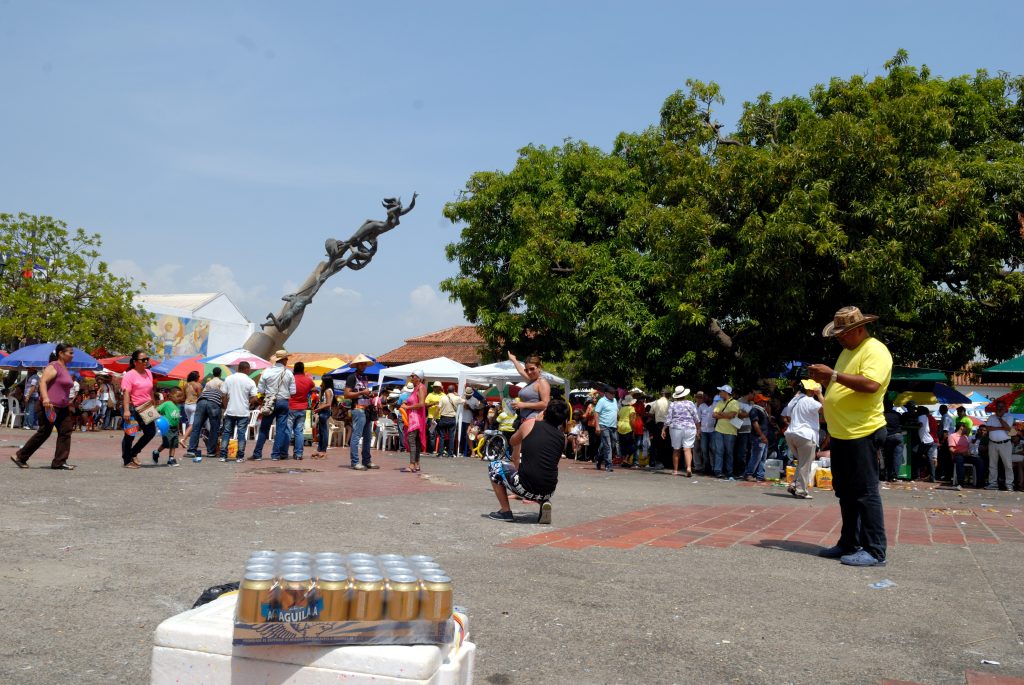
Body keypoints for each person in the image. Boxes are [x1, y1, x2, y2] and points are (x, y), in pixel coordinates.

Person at [808, 305, 892, 568]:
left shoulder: (875, 350)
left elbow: (871, 385)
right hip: (843, 433)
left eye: (842, 334)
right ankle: (849, 542)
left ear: (858, 329)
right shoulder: (847, 352)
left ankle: (875, 550)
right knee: (845, 492)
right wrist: (826, 381)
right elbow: (843, 385)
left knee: (865, 492)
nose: (839, 339)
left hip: (863, 432)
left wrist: (832, 375)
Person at [486, 398, 569, 524]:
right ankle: (543, 502)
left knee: (494, 466)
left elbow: (512, 441)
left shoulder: (530, 424)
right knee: (540, 472)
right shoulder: (562, 438)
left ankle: (505, 511)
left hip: (525, 487)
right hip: (548, 490)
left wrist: (532, 423)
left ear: (545, 412)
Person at [11, 344, 78, 470]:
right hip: (49, 406)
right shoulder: (53, 366)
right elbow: (43, 382)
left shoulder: (65, 368)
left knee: (66, 432)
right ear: (61, 353)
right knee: (44, 432)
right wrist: (46, 398)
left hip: (63, 407)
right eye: (70, 353)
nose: (72, 355)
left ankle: (59, 462)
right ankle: (20, 456)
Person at [252, 350, 296, 461]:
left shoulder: (266, 371)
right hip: (283, 402)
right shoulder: (289, 373)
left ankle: (257, 454)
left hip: (269, 402)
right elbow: (293, 392)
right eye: (286, 359)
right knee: (280, 430)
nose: (287, 360)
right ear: (284, 360)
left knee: (264, 428)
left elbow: (260, 390)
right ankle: (275, 455)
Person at [506, 352, 551, 461]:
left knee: (522, 453)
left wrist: (523, 404)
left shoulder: (542, 382)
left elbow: (545, 403)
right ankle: (520, 472)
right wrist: (514, 360)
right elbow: (521, 371)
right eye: (527, 370)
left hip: (533, 421)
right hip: (524, 420)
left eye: (532, 369)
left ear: (539, 367)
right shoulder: (532, 381)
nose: (529, 372)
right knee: (515, 454)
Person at [783, 379, 823, 499]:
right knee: (806, 464)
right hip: (805, 435)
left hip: (791, 434)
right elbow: (826, 409)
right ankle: (801, 490)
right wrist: (820, 395)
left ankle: (794, 485)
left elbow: (787, 414)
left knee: (802, 462)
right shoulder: (811, 401)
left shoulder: (795, 400)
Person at [120, 350, 158, 469]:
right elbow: (126, 393)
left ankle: (133, 452)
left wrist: (153, 403)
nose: (146, 362)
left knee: (151, 432)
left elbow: (150, 389)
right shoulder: (129, 375)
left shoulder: (148, 372)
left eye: (147, 359)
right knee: (130, 435)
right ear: (135, 362)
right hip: (133, 408)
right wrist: (126, 410)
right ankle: (127, 461)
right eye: (143, 360)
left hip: (147, 407)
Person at [343, 353, 379, 470]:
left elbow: (363, 393)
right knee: (356, 436)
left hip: (366, 409)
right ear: (357, 365)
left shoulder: (364, 377)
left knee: (368, 437)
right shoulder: (352, 377)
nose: (363, 366)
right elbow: (347, 394)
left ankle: (367, 460)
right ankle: (355, 462)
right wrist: (362, 392)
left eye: (364, 364)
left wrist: (370, 394)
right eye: (361, 364)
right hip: (358, 409)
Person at [219, 360, 258, 461]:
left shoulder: (228, 378)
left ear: (238, 368)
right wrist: (248, 403)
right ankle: (239, 457)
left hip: (230, 411)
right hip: (243, 412)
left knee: (226, 433)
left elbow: (223, 395)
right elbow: (254, 398)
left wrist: (226, 407)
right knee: (241, 434)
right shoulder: (250, 381)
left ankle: (223, 456)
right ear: (247, 369)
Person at [185, 367, 226, 461]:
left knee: (196, 426)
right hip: (213, 403)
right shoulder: (222, 383)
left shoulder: (208, 383)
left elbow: (202, 394)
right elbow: (224, 396)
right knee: (214, 428)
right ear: (220, 373)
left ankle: (191, 450)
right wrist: (225, 407)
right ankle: (211, 452)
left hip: (201, 402)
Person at [662, 385, 699, 476]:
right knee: (687, 449)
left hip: (676, 428)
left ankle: (675, 470)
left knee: (676, 449)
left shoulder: (673, 404)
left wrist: (664, 428)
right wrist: (698, 428)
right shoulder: (690, 403)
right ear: (684, 395)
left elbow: (669, 418)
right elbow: (696, 417)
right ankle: (689, 467)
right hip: (689, 427)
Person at [286, 361, 315, 460]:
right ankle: (298, 454)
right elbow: (313, 388)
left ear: (294, 369)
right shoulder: (308, 380)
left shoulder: (291, 378)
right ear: (303, 369)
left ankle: (284, 452)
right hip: (302, 408)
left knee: (288, 430)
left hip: (290, 406)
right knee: (299, 431)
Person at [711, 384, 740, 479]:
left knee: (729, 452)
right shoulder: (719, 402)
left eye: (721, 391)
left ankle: (729, 472)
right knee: (718, 451)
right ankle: (718, 471)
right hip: (719, 430)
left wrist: (720, 413)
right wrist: (725, 414)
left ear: (726, 393)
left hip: (730, 432)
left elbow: (732, 415)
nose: (720, 393)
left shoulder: (734, 403)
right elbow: (714, 415)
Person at [401, 370, 428, 473]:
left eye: (413, 376)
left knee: (411, 440)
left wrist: (407, 407)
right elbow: (415, 401)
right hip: (414, 417)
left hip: (416, 419)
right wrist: (407, 402)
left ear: (419, 378)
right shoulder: (416, 388)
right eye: (411, 376)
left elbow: (421, 404)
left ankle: (412, 465)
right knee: (416, 441)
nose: (411, 378)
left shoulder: (421, 387)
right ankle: (416, 463)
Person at [984, 400, 1014, 490]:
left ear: (1005, 408)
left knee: (1008, 465)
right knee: (992, 464)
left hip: (1005, 444)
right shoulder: (991, 417)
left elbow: (1008, 428)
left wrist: (1000, 418)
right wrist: (1000, 427)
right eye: (998, 406)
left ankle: (1009, 484)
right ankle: (993, 483)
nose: (1000, 408)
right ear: (996, 407)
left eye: (1002, 406)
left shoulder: (1009, 416)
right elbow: (987, 428)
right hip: (992, 443)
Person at [151, 388, 184, 466]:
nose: (180, 398)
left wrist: (179, 430)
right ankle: (156, 452)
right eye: (178, 396)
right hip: (167, 428)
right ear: (171, 396)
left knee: (174, 444)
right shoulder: (167, 404)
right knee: (166, 444)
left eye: (181, 396)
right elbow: (157, 410)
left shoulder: (178, 406)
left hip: (175, 429)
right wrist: (159, 418)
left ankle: (171, 459)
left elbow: (177, 419)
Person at [744, 393, 771, 481]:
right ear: (759, 402)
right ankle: (749, 474)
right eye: (764, 401)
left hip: (764, 437)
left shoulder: (762, 410)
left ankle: (760, 474)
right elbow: (755, 424)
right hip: (758, 437)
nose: (765, 403)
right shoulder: (755, 410)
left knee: (763, 457)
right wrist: (762, 435)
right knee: (756, 456)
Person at [949, 423, 985, 489]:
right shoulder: (952, 436)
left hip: (967, 455)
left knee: (979, 461)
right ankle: (961, 483)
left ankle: (980, 483)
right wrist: (962, 453)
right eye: (966, 428)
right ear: (961, 427)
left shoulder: (965, 437)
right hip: (958, 455)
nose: (968, 429)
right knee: (960, 460)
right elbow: (951, 449)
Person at [593, 385, 618, 472]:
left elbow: (615, 412)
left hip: (613, 426)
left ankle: (599, 459)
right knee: (608, 445)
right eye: (611, 394)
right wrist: (597, 426)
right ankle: (608, 465)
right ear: (606, 393)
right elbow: (596, 413)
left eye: (614, 394)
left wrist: (617, 423)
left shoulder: (614, 400)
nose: (613, 395)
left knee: (611, 445)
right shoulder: (602, 401)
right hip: (604, 426)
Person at [881, 396, 905, 482]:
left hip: (888, 437)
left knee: (888, 457)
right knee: (897, 457)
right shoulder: (897, 414)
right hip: (898, 436)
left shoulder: (882, 414)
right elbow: (903, 422)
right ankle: (895, 476)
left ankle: (887, 475)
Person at [311, 377, 334, 459]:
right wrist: (321, 390)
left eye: (323, 381)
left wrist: (319, 408)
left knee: (324, 432)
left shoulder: (328, 391)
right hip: (322, 411)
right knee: (321, 431)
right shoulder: (325, 390)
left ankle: (323, 450)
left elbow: (328, 404)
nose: (321, 383)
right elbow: (321, 401)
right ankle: (320, 449)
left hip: (324, 412)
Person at [914, 405, 938, 482]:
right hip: (930, 440)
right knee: (929, 458)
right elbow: (927, 429)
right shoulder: (927, 417)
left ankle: (917, 476)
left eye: (917, 410)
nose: (916, 412)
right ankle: (933, 477)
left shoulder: (921, 417)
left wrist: (915, 424)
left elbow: (920, 425)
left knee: (917, 456)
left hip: (925, 441)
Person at [181, 370, 203, 441]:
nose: (199, 377)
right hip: (194, 405)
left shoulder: (186, 385)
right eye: (199, 376)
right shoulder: (198, 385)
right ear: (196, 377)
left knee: (191, 423)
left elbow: (183, 397)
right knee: (192, 424)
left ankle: (191, 441)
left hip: (186, 405)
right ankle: (183, 439)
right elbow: (200, 397)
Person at [424, 381, 444, 454]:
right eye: (434, 387)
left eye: (436, 387)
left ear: (440, 388)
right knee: (431, 433)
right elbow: (425, 405)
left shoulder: (444, 395)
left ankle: (439, 450)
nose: (434, 388)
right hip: (431, 417)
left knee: (441, 434)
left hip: (441, 417)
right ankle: (431, 450)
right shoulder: (430, 395)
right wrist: (433, 403)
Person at [616, 395, 637, 466]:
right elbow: (632, 420)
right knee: (633, 445)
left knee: (623, 445)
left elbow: (618, 418)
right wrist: (634, 429)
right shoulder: (631, 408)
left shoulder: (621, 409)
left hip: (620, 427)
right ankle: (626, 458)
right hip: (628, 428)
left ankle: (624, 460)